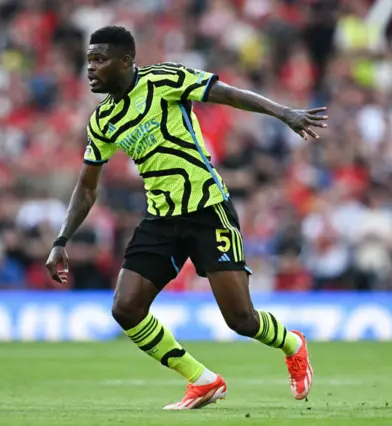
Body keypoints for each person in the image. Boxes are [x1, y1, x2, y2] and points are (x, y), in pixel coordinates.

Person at [45, 26, 327, 410]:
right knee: (125, 308)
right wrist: (62, 240)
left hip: (208, 211)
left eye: (99, 59)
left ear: (126, 61)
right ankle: (203, 380)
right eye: (88, 60)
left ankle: (292, 344)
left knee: (241, 320)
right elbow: (87, 188)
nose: (90, 68)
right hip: (161, 220)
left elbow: (226, 93)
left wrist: (283, 113)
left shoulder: (164, 80)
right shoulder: (103, 121)